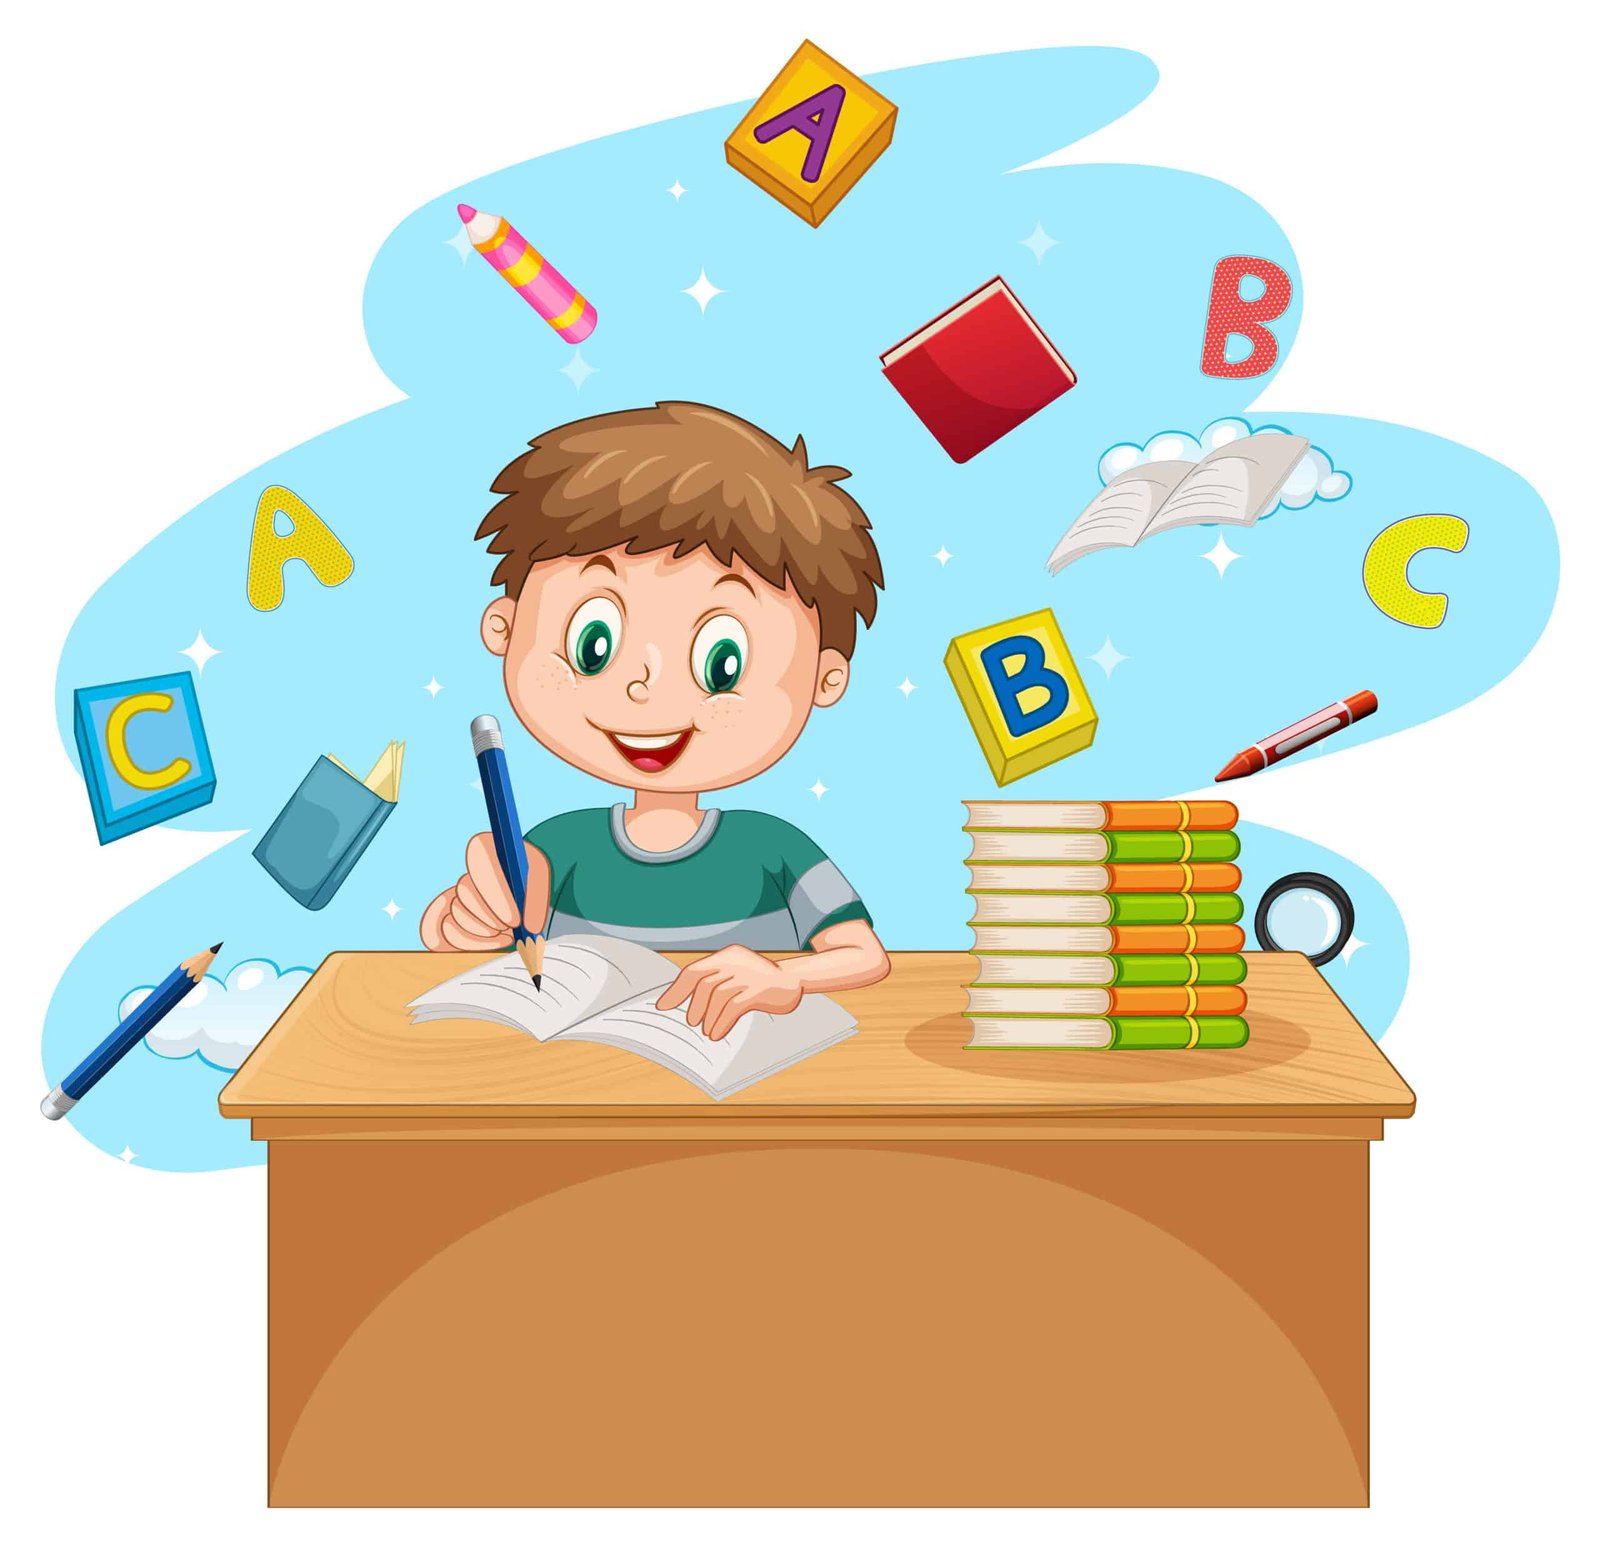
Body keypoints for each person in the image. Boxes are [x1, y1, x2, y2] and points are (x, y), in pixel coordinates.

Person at [421, 401, 891, 1041]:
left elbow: (867, 958)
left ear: (824, 678)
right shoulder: (560, 849)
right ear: (504, 628)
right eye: (595, 644)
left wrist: (789, 977)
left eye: (722, 662)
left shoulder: (773, 850)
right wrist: (464, 925)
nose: (645, 688)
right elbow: (484, 943)